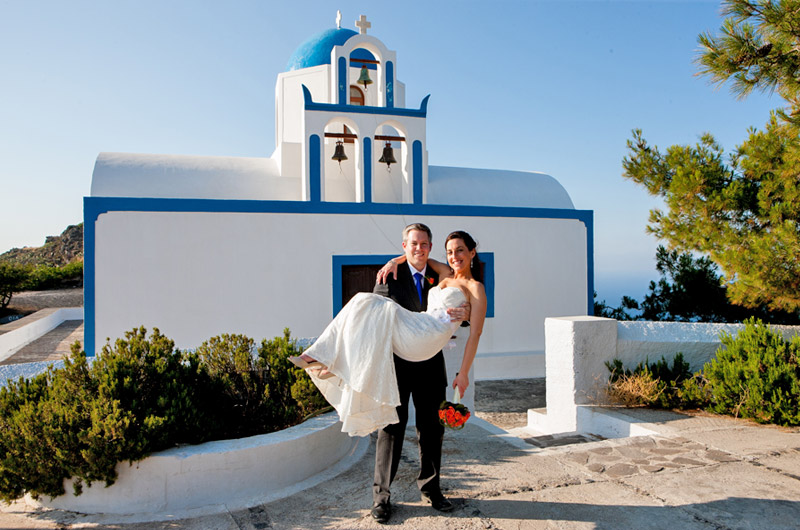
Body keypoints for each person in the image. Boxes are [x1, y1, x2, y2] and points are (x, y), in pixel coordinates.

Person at [290, 225, 486, 523]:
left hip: (430, 361)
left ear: (470, 252)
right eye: (412, 244)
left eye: (459, 250)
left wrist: (467, 322)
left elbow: (474, 328)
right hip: (396, 363)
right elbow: (373, 328)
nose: (454, 255)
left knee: (432, 430)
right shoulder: (392, 275)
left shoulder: (445, 275)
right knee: (390, 429)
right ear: (404, 245)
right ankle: (381, 497)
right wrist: (396, 261)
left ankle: (431, 489)